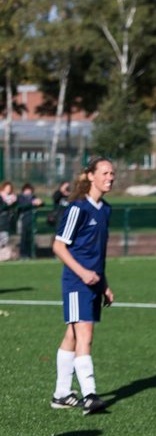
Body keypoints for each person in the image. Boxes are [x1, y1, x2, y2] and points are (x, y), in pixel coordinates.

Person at [50, 158, 115, 416]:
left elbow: (98, 254)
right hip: (76, 282)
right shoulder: (78, 208)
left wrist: (104, 284)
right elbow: (58, 247)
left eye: (112, 173)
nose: (110, 177)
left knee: (73, 336)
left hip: (93, 282)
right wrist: (83, 273)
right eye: (105, 173)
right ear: (90, 176)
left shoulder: (105, 209)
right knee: (85, 334)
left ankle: (61, 394)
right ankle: (90, 394)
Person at [17, 183, 42, 259]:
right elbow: (21, 206)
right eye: (27, 190)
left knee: (30, 238)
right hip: (24, 219)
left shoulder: (33, 197)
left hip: (32, 219)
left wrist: (40, 202)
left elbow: (41, 203)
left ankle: (30, 253)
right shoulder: (20, 197)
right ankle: (23, 254)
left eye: (30, 190)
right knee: (24, 237)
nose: (28, 191)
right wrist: (31, 203)